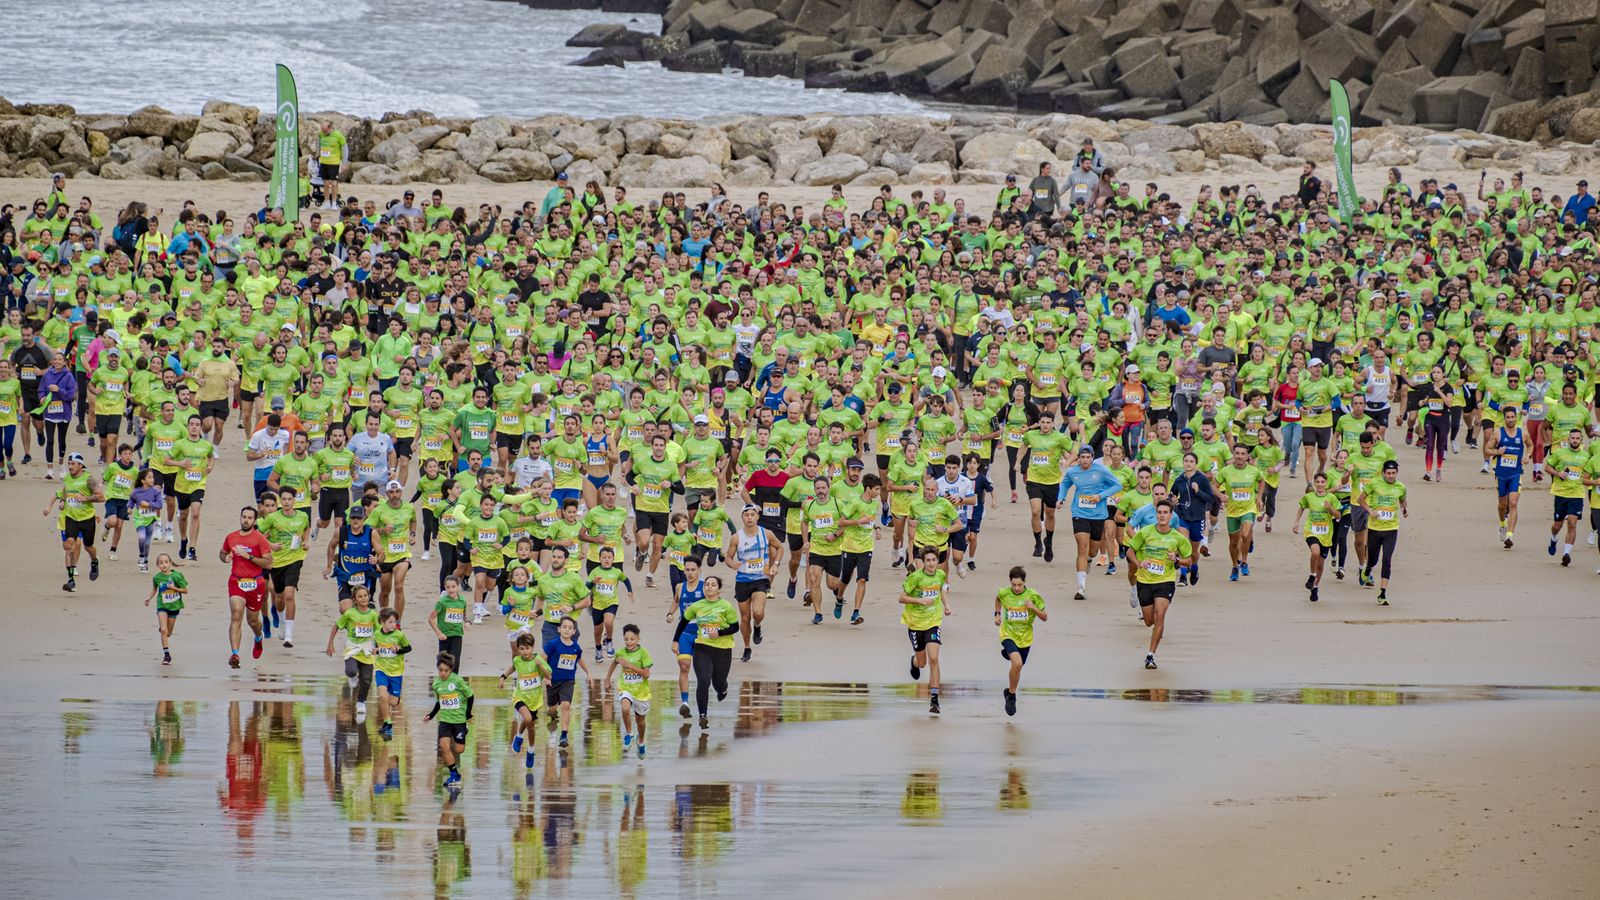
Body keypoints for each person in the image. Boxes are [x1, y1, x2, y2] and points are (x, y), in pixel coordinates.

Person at [1124, 499, 1191, 669]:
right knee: (1149, 621)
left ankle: (1150, 655)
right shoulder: (1145, 533)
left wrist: (1176, 559)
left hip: (1165, 581)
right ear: (1156, 514)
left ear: (1171, 515)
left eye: (1165, 513)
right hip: (1145, 580)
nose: (1162, 516)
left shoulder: (1177, 538)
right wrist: (1139, 564)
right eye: (1159, 513)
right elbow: (1130, 551)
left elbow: (1189, 560)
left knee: (1160, 615)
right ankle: (1156, 629)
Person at [1057, 445, 1124, 600]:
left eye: (1088, 457)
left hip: (1098, 514)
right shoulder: (1073, 471)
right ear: (1078, 458)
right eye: (1082, 457)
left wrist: (1101, 496)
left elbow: (1117, 485)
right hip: (1079, 512)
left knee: (1092, 551)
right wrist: (1061, 498)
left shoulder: (1101, 470)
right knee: (1082, 546)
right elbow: (1065, 483)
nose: (1085, 460)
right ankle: (1081, 588)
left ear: (1093, 457)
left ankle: (1088, 559)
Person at [725, 504, 781, 662]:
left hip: (760, 579)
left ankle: (757, 625)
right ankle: (747, 647)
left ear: (757, 516)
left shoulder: (766, 534)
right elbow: (728, 557)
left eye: (752, 514)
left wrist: (775, 564)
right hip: (742, 579)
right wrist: (731, 564)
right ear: (742, 517)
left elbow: (780, 547)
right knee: (744, 618)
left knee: (757, 612)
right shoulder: (737, 537)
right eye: (746, 515)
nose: (749, 517)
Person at [219, 505, 273, 669]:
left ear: (254, 520)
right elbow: (222, 553)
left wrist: (249, 556)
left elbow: (269, 563)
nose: (246, 520)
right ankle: (235, 654)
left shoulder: (259, 539)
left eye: (250, 518)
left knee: (253, 621)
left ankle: (258, 637)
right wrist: (225, 557)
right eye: (244, 517)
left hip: (255, 583)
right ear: (240, 518)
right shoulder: (231, 537)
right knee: (236, 614)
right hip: (236, 581)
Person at [683, 574, 738, 730]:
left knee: (718, 684)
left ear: (719, 589)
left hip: (723, 650)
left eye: (713, 585)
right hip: (702, 648)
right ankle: (703, 715)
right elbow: (683, 622)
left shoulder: (726, 606)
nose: (709, 587)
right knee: (704, 681)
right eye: (707, 584)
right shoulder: (697, 606)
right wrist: (675, 640)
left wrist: (719, 633)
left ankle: (723, 688)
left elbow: (735, 627)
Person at [899, 548, 951, 715]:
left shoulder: (940, 575)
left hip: (933, 622)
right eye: (928, 560)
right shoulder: (916, 577)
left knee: (934, 658)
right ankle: (914, 661)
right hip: (915, 624)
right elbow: (901, 598)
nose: (931, 563)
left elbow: (941, 590)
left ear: (937, 561)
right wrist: (919, 600)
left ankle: (934, 699)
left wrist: (947, 605)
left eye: (934, 560)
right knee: (922, 663)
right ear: (923, 562)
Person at [43, 451, 102, 591]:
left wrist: (85, 498)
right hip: (71, 518)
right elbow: (65, 492)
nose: (70, 466)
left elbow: (101, 497)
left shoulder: (89, 479)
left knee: (88, 547)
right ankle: (71, 581)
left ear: (81, 465)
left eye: (73, 464)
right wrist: (63, 501)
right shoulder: (67, 478)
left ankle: (94, 561)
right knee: (70, 545)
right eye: (69, 464)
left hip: (87, 518)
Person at [994, 566, 1047, 717]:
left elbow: (1045, 617)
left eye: (1019, 585)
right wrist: (997, 614)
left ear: (1025, 583)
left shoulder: (1033, 595)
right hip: (1008, 634)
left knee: (1018, 667)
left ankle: (1009, 691)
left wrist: (1034, 608)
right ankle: (1012, 697)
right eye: (1014, 585)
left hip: (1025, 638)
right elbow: (998, 598)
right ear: (1010, 583)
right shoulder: (1004, 592)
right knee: (1016, 663)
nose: (1016, 588)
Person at [1357, 460, 1408, 604]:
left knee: (1387, 560)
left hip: (1391, 529)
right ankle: (1367, 570)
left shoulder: (1401, 487)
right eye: (1388, 473)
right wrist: (1370, 511)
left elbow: (1403, 501)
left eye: (1394, 473)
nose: (1391, 476)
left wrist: (1404, 509)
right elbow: (1360, 499)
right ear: (1383, 473)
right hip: (1375, 528)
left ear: (1397, 473)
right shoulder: (1374, 484)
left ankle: (1382, 593)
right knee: (1373, 559)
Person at [326, 583, 379, 722]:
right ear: (354, 600)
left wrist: (380, 647)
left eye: (365, 596)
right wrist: (330, 643)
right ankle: (352, 677)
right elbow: (336, 626)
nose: (363, 598)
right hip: (353, 647)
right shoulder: (349, 613)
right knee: (350, 670)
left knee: (367, 680)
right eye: (360, 597)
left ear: (369, 597)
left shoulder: (373, 614)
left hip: (367, 649)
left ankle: (361, 702)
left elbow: (379, 632)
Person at [500, 632, 550, 770]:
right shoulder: (517, 660)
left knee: (532, 729)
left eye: (527, 648)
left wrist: (540, 666)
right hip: (519, 696)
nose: (524, 652)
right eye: (521, 649)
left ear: (532, 648)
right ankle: (519, 736)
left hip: (534, 700)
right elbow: (514, 667)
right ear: (518, 649)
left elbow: (549, 675)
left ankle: (531, 751)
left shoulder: (538, 660)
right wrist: (503, 676)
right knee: (526, 718)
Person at [423, 652, 473, 788]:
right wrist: (431, 715)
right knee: (444, 746)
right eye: (440, 670)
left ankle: (464, 731)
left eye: (446, 671)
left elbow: (470, 696)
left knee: (459, 749)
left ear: (451, 670)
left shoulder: (457, 681)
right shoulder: (436, 684)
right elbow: (439, 702)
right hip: (445, 720)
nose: (443, 673)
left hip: (459, 720)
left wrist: (468, 714)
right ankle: (454, 775)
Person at [605, 623, 653, 759]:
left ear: (638, 639)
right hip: (625, 687)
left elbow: (646, 674)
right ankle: (629, 734)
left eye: (632, 639)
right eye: (626, 639)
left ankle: (641, 741)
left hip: (641, 692)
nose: (629, 642)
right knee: (625, 708)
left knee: (641, 721)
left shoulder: (643, 653)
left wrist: (630, 666)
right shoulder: (621, 652)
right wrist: (607, 679)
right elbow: (614, 663)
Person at [1292, 472, 1340, 602]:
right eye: (1317, 482)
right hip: (1311, 531)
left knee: (1321, 564)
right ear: (1314, 483)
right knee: (1315, 553)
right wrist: (1296, 523)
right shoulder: (1309, 497)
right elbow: (1301, 507)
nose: (1320, 484)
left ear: (1326, 483)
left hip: (1326, 534)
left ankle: (1315, 587)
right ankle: (1312, 575)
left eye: (1322, 482)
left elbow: (1338, 515)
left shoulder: (1331, 498)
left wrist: (1330, 508)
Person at [1544, 428, 1588, 567]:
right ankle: (1554, 538)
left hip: (1577, 494)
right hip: (1561, 493)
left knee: (1572, 523)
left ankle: (1566, 553)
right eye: (1572, 438)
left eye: (1577, 438)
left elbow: (1589, 473)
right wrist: (1558, 473)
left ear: (1581, 440)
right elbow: (1547, 467)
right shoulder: (1560, 453)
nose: (1575, 440)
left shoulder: (1585, 457)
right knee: (1557, 525)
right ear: (1568, 439)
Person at [543, 615, 589, 748]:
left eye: (570, 628)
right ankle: (553, 714)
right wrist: (546, 676)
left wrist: (588, 673)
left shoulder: (575, 647)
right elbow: (542, 659)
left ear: (574, 631)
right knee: (552, 709)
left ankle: (563, 736)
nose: (567, 630)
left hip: (568, 681)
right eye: (564, 627)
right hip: (553, 681)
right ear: (559, 629)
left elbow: (579, 659)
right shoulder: (553, 644)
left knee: (566, 706)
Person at [1486, 405, 1525, 549]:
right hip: (1501, 473)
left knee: (1513, 503)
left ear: (1516, 417)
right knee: (1502, 505)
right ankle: (1503, 524)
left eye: (1512, 417)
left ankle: (1510, 535)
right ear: (1504, 419)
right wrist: (1497, 452)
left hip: (1516, 473)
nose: (1510, 420)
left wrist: (1527, 456)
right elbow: (1487, 450)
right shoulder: (1498, 433)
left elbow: (1530, 445)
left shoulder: (1522, 433)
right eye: (1507, 417)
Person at [372, 606, 411, 740]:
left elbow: (409, 648)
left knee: (393, 702)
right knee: (382, 695)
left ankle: (396, 698)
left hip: (396, 672)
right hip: (381, 669)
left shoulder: (399, 635)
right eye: (390, 622)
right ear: (382, 622)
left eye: (395, 622)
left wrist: (399, 650)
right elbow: (375, 644)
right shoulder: (377, 633)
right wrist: (375, 650)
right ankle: (387, 722)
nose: (393, 625)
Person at [143, 551, 186, 665]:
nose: (164, 565)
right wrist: (149, 598)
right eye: (161, 563)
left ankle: (164, 632)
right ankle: (167, 655)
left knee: (168, 633)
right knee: (163, 630)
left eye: (166, 562)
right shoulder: (157, 577)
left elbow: (185, 590)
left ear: (170, 563)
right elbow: (154, 589)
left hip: (174, 606)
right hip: (162, 605)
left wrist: (174, 588)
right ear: (158, 565)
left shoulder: (176, 576)